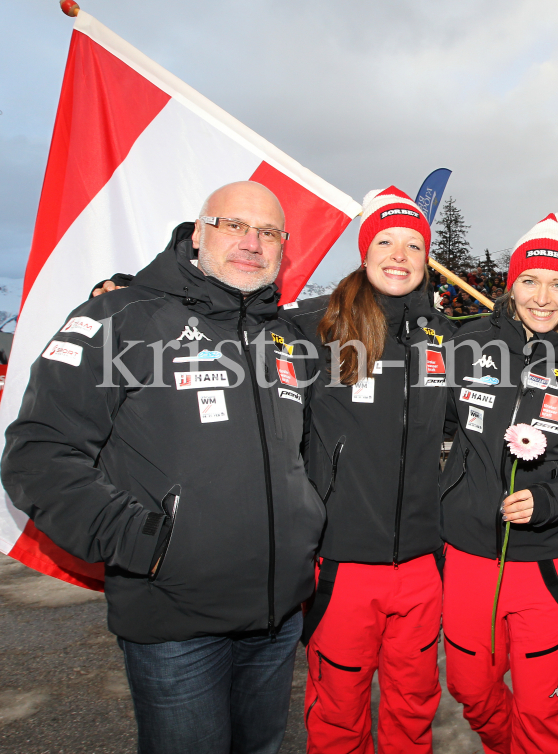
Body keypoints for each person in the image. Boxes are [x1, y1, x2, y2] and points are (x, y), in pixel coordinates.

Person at [2, 181, 324, 754]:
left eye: (269, 232)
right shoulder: (122, 315)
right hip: (176, 624)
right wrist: (140, 540)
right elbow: (39, 452)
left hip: (276, 622)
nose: (252, 242)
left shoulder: (284, 338)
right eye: (234, 225)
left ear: (283, 247)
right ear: (198, 233)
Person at [283, 187, 455, 753]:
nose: (399, 254)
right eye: (385, 241)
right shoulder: (314, 326)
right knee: (337, 710)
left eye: (413, 244)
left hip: (423, 561)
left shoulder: (442, 338)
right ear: (364, 250)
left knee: (413, 706)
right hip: (342, 560)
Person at [440, 212, 558, 754]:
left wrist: (548, 500)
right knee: (470, 688)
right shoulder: (467, 344)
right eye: (531, 281)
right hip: (467, 552)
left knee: (544, 705)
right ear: (511, 284)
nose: (544, 297)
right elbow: (434, 427)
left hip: (544, 561)